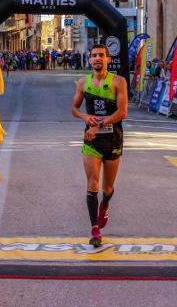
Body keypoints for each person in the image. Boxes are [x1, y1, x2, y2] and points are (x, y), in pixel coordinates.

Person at [71, 44, 128, 248]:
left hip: (113, 139)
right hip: (91, 141)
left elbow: (122, 113)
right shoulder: (83, 83)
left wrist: (100, 125)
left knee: (108, 187)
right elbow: (74, 108)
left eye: (101, 55)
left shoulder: (118, 82)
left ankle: (105, 204)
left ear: (108, 60)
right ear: (89, 60)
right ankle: (95, 230)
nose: (97, 58)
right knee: (93, 184)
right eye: (94, 55)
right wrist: (86, 117)